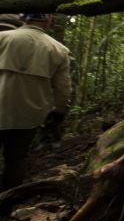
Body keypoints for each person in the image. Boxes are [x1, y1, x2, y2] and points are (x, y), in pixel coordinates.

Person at [0, 13, 71, 190]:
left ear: (23, 18)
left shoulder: (3, 38)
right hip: (30, 115)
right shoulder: (58, 49)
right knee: (17, 158)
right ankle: (8, 199)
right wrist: (59, 111)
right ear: (48, 20)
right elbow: (63, 88)